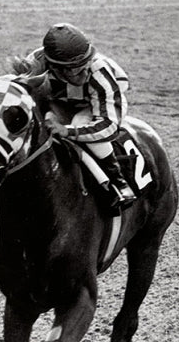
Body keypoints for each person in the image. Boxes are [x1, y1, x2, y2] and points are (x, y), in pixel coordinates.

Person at [12, 23, 137, 208]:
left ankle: (118, 181)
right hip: (61, 99)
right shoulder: (37, 64)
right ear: (55, 66)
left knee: (79, 121)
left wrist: (68, 131)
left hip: (97, 102)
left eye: (84, 63)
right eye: (74, 67)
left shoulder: (100, 74)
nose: (84, 70)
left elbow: (108, 126)